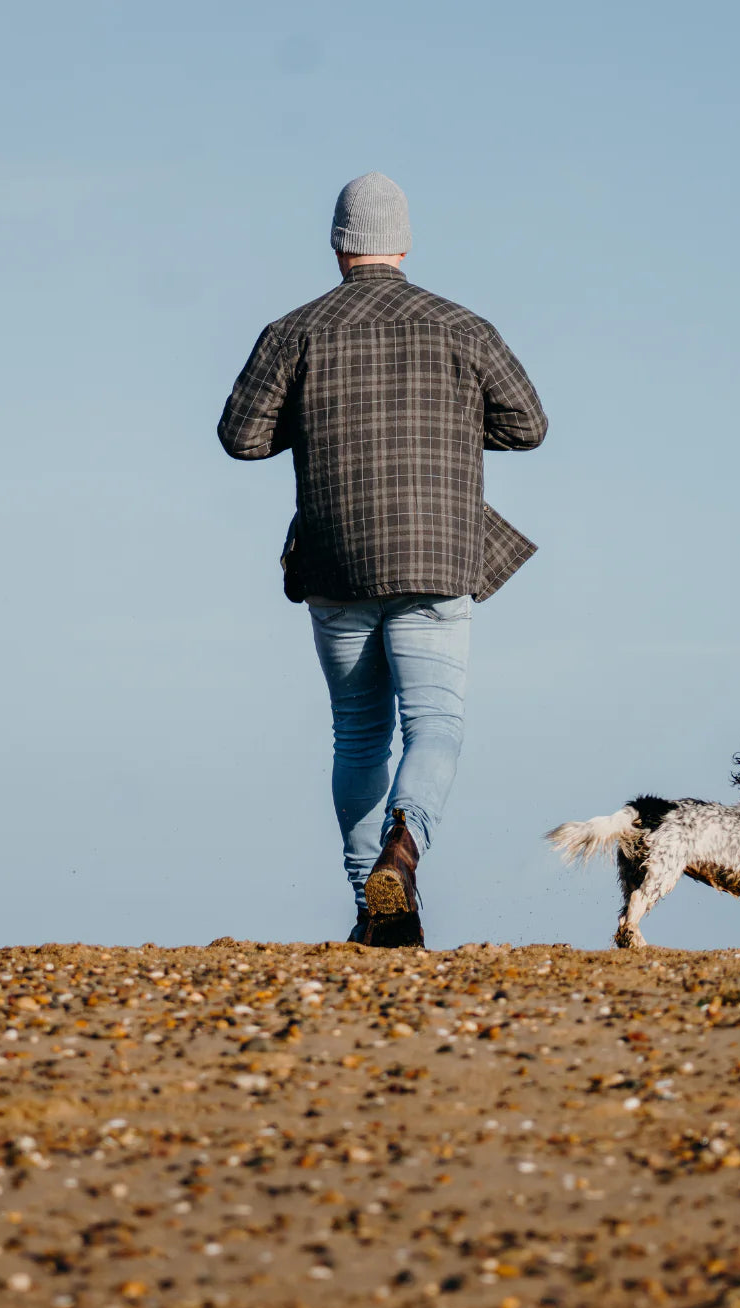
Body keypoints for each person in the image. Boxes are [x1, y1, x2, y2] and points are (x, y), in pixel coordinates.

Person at [218, 172, 547, 949]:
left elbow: (242, 438)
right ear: (403, 241)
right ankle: (405, 851)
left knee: (358, 732)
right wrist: (449, 423)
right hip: (438, 552)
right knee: (433, 723)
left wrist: (318, 422)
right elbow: (528, 425)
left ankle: (375, 912)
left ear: (339, 244)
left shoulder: (293, 331)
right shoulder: (463, 327)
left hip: (334, 556)